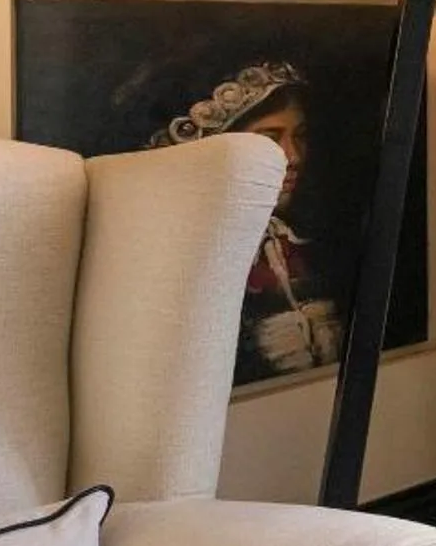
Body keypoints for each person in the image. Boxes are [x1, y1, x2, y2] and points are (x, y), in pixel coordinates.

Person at [148, 59, 345, 388]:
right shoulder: (181, 254)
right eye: (270, 139)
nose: (293, 156)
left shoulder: (299, 245)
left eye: (300, 136)